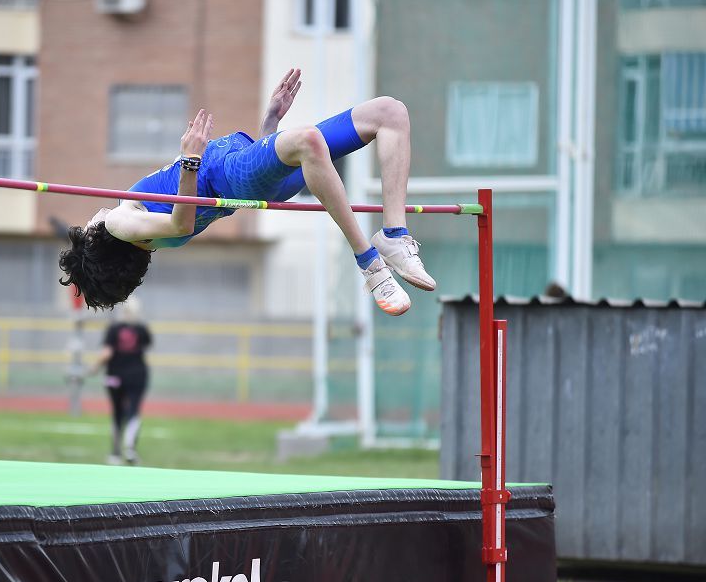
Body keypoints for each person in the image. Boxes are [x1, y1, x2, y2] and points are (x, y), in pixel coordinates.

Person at [58, 68, 435, 316]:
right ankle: (369, 261)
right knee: (310, 140)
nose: (93, 217)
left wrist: (270, 124)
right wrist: (190, 160)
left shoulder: (145, 231)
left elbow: (243, 179)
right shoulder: (122, 223)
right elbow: (182, 222)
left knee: (389, 113)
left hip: (247, 172)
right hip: (233, 173)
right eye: (88, 227)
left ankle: (394, 234)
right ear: (98, 242)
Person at [88, 297, 152, 465]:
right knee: (133, 410)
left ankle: (115, 452)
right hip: (137, 375)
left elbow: (107, 353)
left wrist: (94, 368)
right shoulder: (142, 329)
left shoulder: (114, 329)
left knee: (117, 413)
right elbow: (145, 346)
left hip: (114, 376)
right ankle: (130, 448)